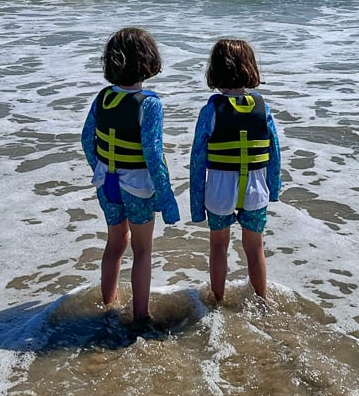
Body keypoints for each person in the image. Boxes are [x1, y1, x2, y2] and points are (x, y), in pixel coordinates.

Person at [81, 27, 180, 322]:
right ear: (148, 61)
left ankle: (108, 304)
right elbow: (152, 152)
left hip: (106, 183)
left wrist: (100, 169)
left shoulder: (103, 98)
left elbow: (87, 139)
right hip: (137, 187)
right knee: (143, 249)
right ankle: (140, 316)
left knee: (115, 243)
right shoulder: (149, 103)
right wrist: (166, 195)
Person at [189, 38, 281, 302]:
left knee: (218, 246)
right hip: (255, 190)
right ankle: (261, 301)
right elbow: (275, 154)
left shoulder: (211, 110)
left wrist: (197, 206)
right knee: (255, 248)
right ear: (250, 68)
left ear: (214, 71)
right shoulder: (263, 108)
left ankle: (217, 302)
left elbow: (197, 159)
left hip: (219, 192)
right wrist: (273, 191)